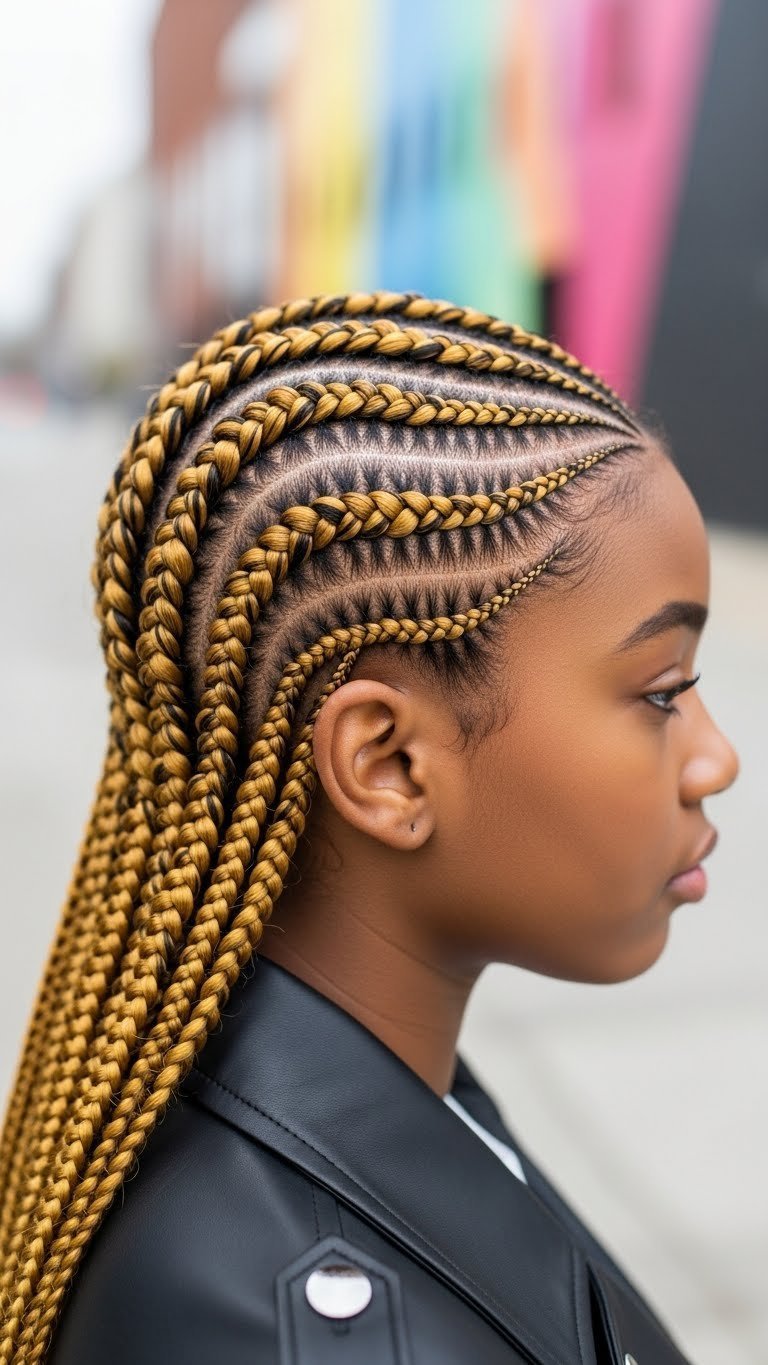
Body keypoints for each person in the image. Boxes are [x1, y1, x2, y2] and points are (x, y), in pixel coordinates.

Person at [0, 292, 738, 1364]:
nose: (716, 758)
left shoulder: (384, 1076)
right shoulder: (282, 1332)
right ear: (387, 765)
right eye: (664, 690)